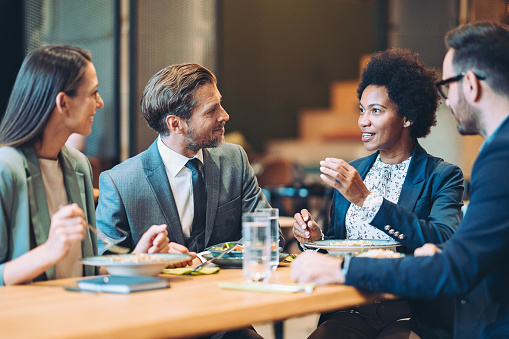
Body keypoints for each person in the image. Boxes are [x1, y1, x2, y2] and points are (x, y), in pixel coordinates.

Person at [292, 21, 509, 339]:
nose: (448, 100)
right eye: (362, 110)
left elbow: (455, 259)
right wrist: (314, 240)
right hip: (350, 308)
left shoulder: (462, 169)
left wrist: (366, 201)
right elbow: (337, 245)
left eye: (376, 111)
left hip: (410, 312)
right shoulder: (351, 172)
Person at [0, 45, 170, 286]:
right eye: (93, 93)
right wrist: (49, 252)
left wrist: (137, 259)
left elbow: (85, 269)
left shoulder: (79, 166)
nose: (100, 103)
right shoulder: (5, 169)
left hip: (78, 313)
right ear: (63, 103)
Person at [96, 62, 277, 266]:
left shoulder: (234, 159)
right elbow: (104, 264)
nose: (224, 115)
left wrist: (204, 258)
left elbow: (269, 234)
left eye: (220, 104)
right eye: (211, 111)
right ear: (175, 124)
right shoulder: (120, 182)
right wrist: (150, 257)